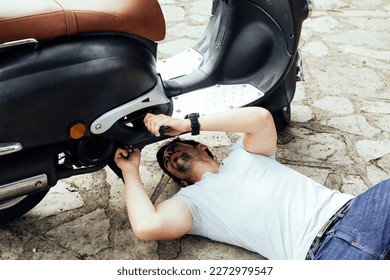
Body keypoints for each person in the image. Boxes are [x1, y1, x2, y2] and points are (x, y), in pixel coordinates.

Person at [114, 107, 390, 260]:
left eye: (173, 147)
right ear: (180, 181)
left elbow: (260, 118)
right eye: (166, 160)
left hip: (359, 212)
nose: (169, 154)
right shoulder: (191, 203)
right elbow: (148, 226)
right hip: (325, 255)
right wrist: (130, 170)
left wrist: (186, 124)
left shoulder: (244, 153)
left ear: (202, 147)